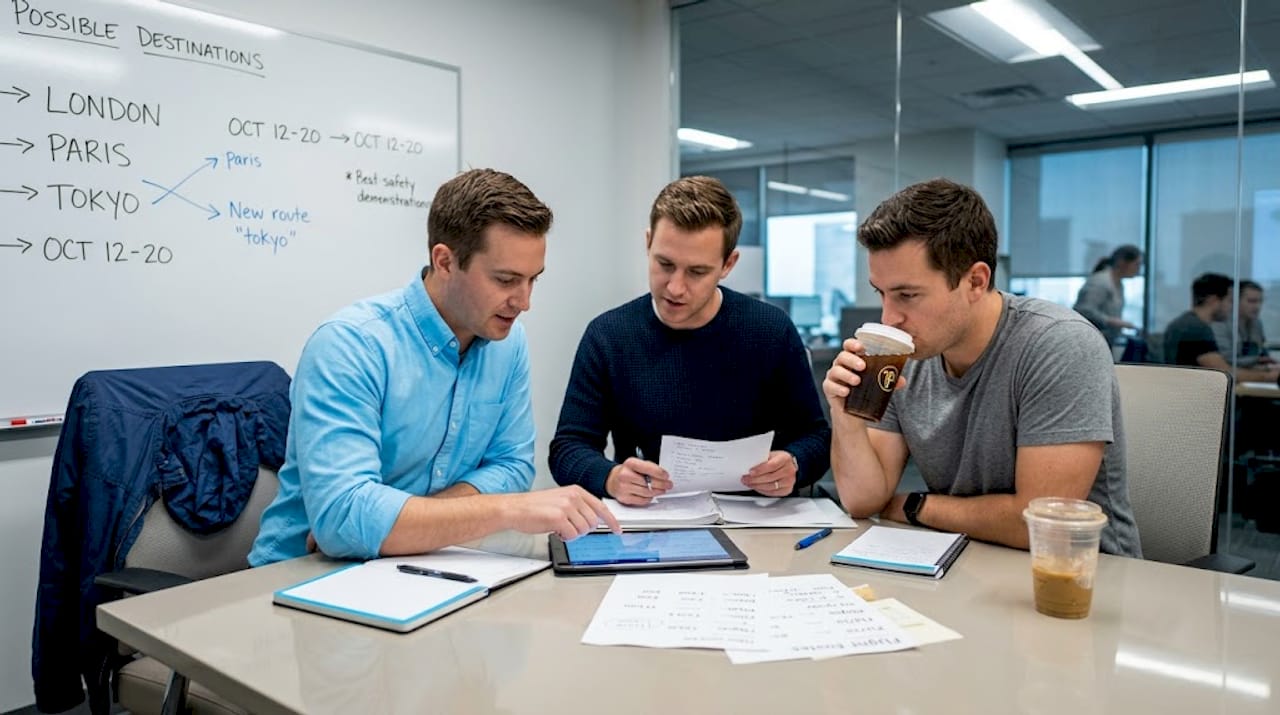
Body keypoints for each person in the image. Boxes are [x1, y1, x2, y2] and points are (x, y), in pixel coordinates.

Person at [250, 169, 619, 565]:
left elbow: (512, 466)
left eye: (533, 280)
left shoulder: (508, 344)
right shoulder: (350, 345)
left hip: (423, 562)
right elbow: (343, 521)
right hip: (300, 574)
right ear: (444, 261)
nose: (524, 301)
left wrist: (397, 525)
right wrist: (507, 509)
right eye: (507, 279)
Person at [822, 178, 1141, 556]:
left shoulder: (1059, 343)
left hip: (1078, 576)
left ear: (975, 281)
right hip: (962, 561)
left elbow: (1037, 523)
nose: (889, 318)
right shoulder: (910, 354)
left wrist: (914, 506)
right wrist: (846, 417)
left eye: (908, 295)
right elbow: (863, 500)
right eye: (882, 293)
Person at [548, 176, 831, 505]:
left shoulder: (771, 330)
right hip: (649, 524)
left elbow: (816, 437)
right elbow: (568, 447)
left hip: (756, 520)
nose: (675, 288)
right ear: (648, 242)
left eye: (697, 272)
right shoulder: (609, 335)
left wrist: (795, 463)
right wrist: (609, 477)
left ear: (728, 264)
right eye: (664, 264)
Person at [1165, 273, 1280, 382]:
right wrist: (1269, 376)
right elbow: (1224, 372)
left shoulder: (1189, 323)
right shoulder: (1195, 329)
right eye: (1230, 301)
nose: (1232, 307)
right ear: (1213, 300)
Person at [1073, 244, 1143, 346]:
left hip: (1105, 341)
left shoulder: (1118, 284)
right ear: (1122, 262)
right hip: (1091, 340)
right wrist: (1111, 321)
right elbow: (1083, 310)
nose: (1138, 270)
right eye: (1137, 265)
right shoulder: (1100, 281)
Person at [1212, 279, 1273, 368]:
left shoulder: (1257, 323)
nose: (1257, 306)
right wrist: (1257, 360)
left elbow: (1263, 353)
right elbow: (1225, 359)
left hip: (1253, 373)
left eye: (1260, 301)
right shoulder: (1221, 322)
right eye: (1252, 301)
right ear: (1236, 301)